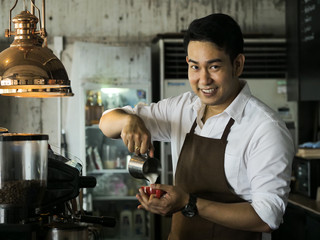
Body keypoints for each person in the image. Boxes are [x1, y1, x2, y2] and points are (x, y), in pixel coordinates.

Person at [99, 13, 295, 240]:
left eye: (214, 67)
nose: (203, 80)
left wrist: (188, 202)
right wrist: (129, 120)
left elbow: (267, 217)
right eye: (195, 67)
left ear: (237, 64)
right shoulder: (182, 109)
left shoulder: (265, 128)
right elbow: (106, 123)